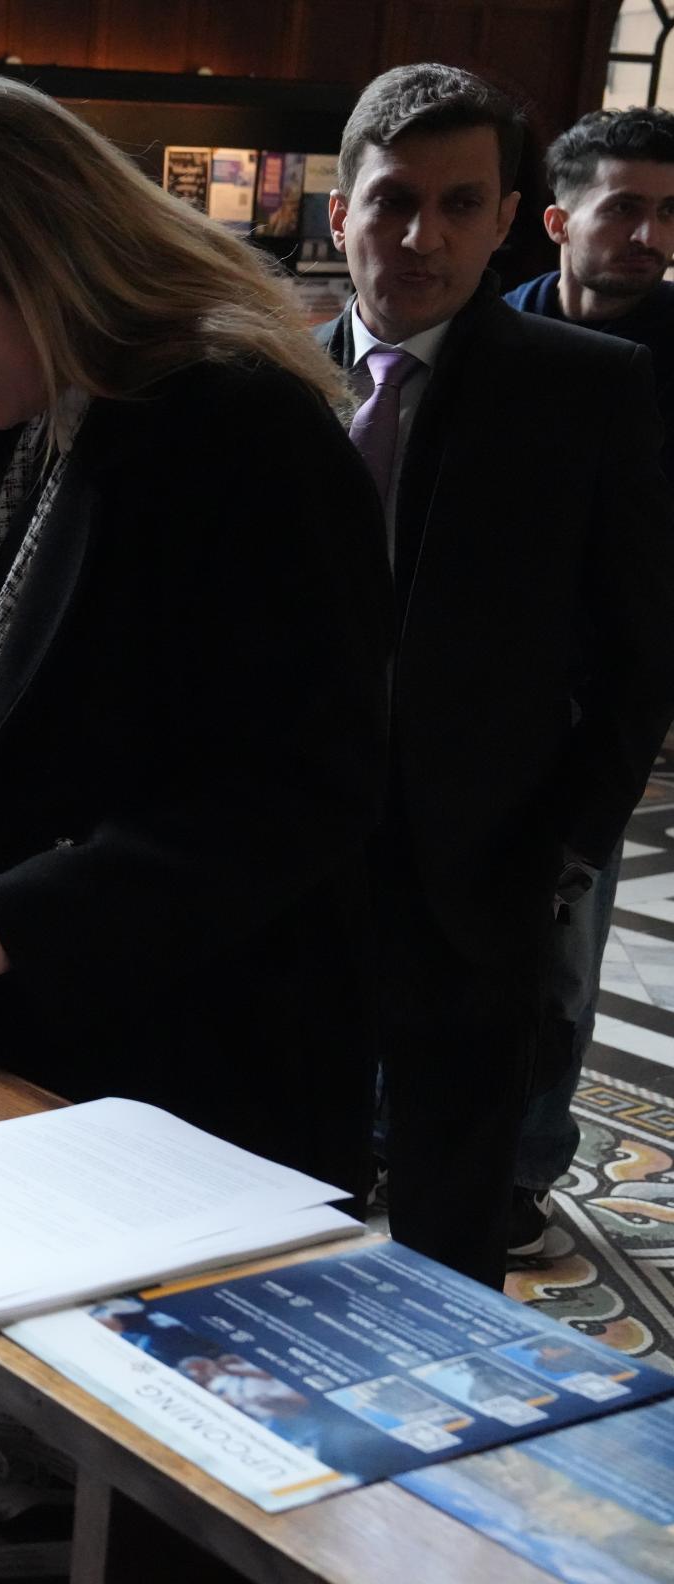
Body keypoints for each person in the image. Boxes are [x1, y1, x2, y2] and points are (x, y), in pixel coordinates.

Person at [0, 76, 393, 1191]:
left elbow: (308, 785)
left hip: (197, 1050)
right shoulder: (43, 403)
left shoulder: (245, 426)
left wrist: (26, 918)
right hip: (49, 1031)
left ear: (47, 262)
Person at [313, 65, 674, 1284]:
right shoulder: (270, 382)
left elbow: (639, 647)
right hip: (287, 871)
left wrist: (568, 845)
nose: (424, 238)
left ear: (510, 217)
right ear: (341, 213)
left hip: (485, 869)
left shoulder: (585, 388)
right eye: (393, 202)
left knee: (452, 1222)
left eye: (461, 205)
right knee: (277, 1194)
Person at [500, 105, 674, 1253]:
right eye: (624, 209)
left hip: (598, 700)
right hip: (474, 688)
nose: (650, 235)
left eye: (669, 213)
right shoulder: (496, 335)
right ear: (561, 220)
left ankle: (523, 1167)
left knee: (558, 956)